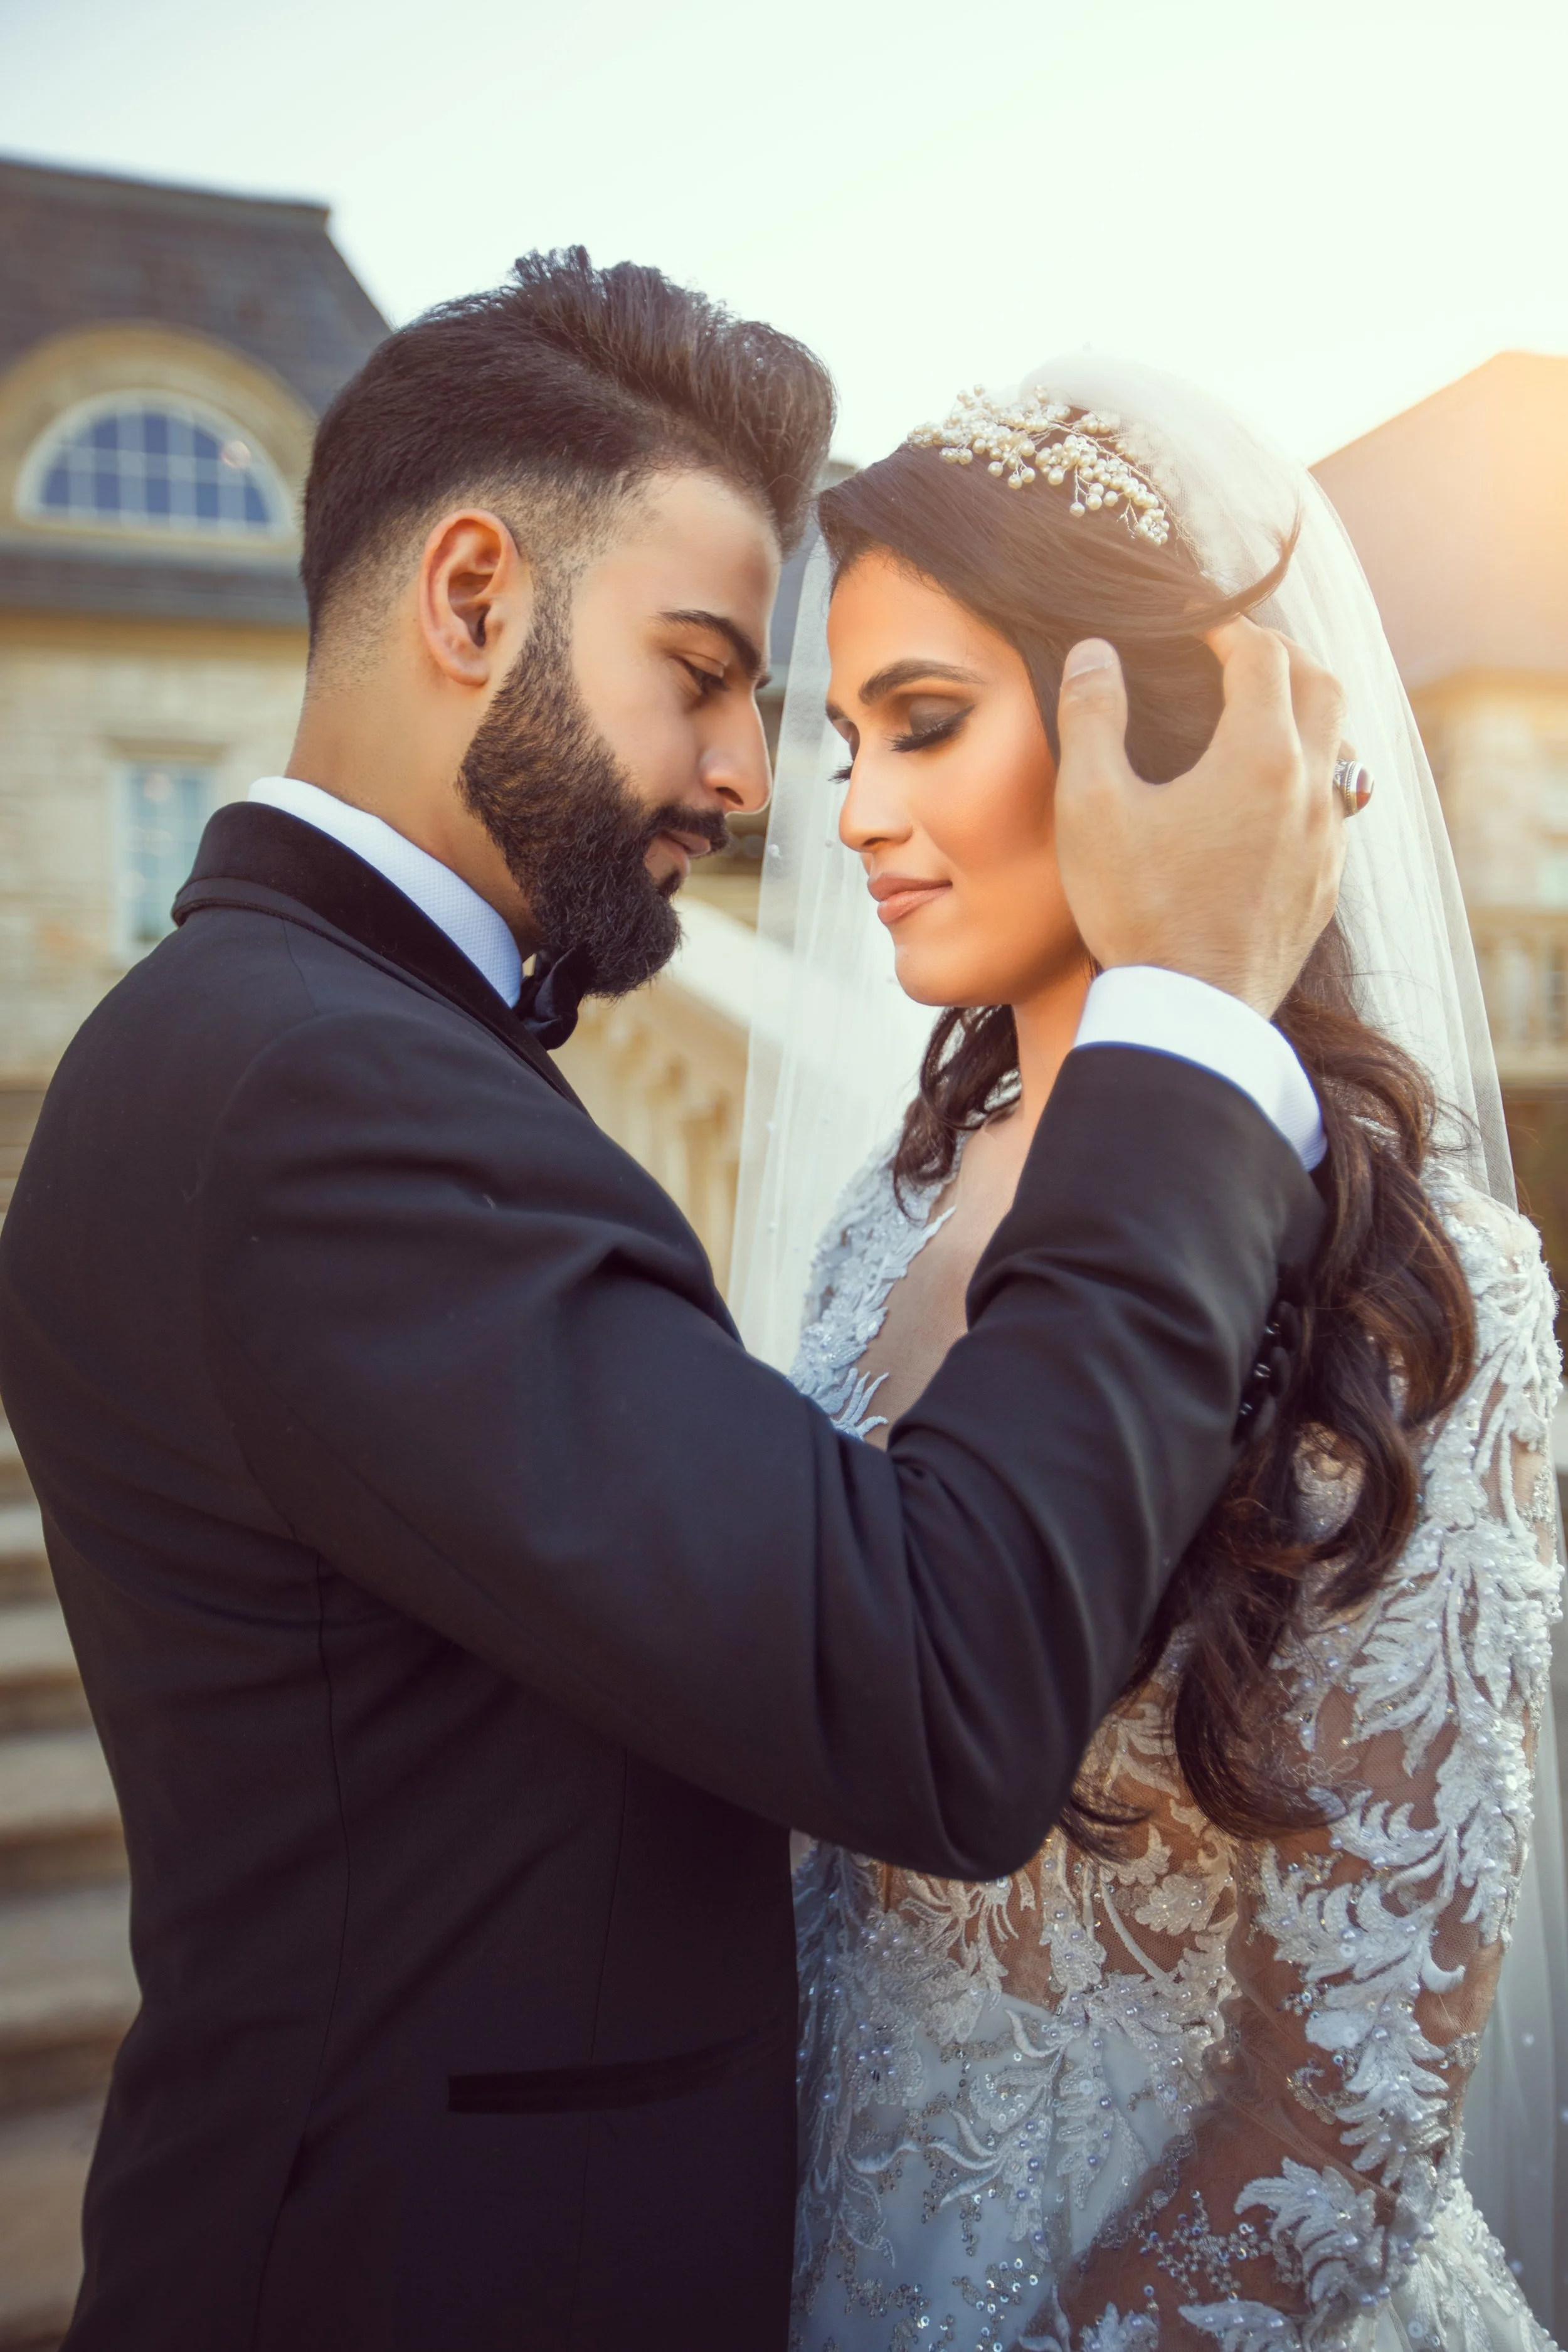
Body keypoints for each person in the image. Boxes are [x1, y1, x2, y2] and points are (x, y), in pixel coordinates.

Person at [0, 263, 1343, 2352]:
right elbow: (929, 1688)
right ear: (470, 598)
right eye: (706, 674)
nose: (751, 781)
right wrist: (1180, 1032)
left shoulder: (307, 1039)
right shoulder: (320, 1094)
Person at [754, 361, 1568, 2352]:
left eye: (925, 725)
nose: (855, 812)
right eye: (844, 735)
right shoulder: (883, 1209)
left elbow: (1340, 2114)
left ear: (1156, 727)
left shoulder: (1413, 1288)